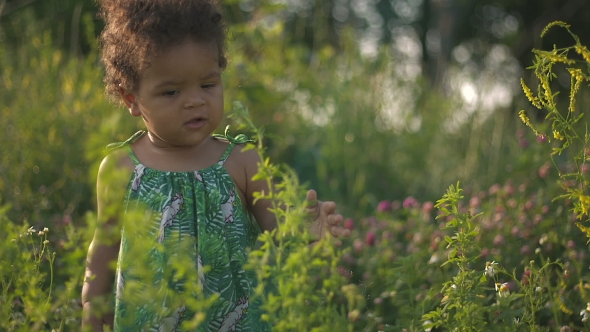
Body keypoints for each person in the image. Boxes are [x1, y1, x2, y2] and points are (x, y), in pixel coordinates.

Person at [81, 0, 350, 331]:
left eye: (208, 85)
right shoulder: (121, 167)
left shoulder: (242, 161)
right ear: (132, 99)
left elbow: (277, 232)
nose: (195, 100)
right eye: (171, 92)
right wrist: (93, 304)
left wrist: (305, 231)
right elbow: (105, 248)